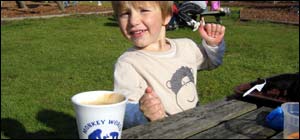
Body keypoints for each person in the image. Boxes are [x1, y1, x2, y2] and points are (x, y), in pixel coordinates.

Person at [111, 1, 226, 129]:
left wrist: (213, 45)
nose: (133, 21)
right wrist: (143, 113)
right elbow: (123, 109)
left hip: (197, 127)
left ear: (166, 16)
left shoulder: (186, 46)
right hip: (164, 132)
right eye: (125, 13)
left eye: (143, 11)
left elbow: (212, 61)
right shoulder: (128, 63)